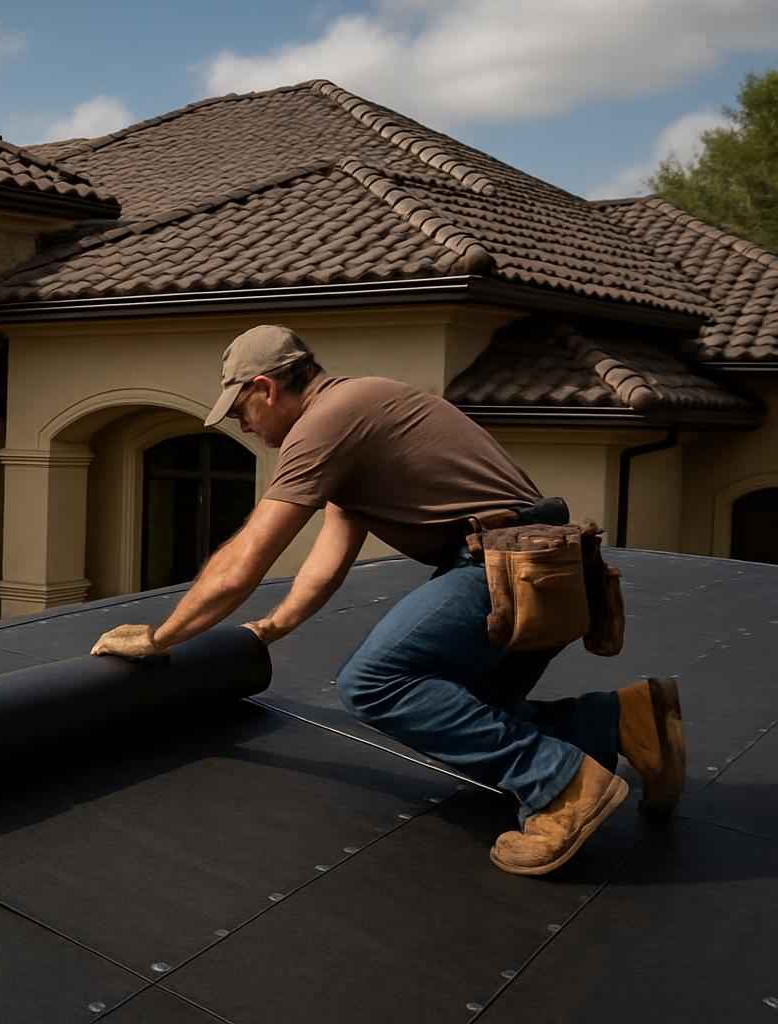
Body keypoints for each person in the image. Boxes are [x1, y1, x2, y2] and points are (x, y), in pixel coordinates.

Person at [91, 324, 685, 877]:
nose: (242, 425)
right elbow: (323, 571)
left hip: (501, 567)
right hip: (548, 570)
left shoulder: (323, 425)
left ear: (266, 388)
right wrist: (265, 631)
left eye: (240, 409)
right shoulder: (359, 415)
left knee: (373, 682)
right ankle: (626, 720)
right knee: (466, 714)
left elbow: (244, 561)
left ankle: (562, 787)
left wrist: (160, 637)